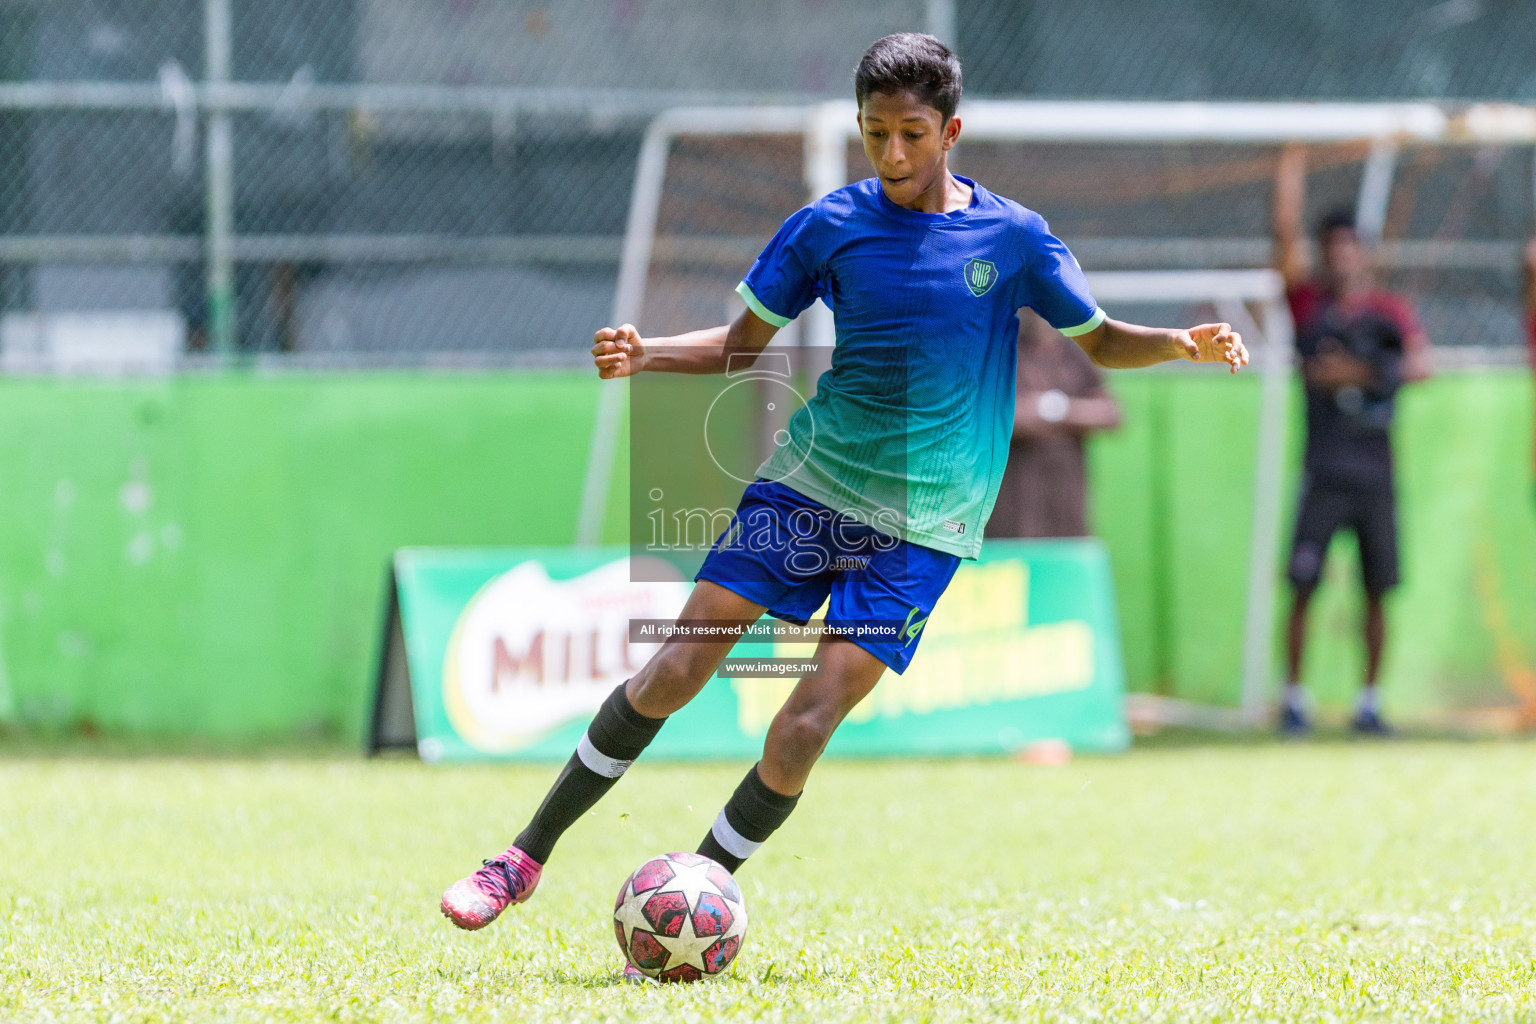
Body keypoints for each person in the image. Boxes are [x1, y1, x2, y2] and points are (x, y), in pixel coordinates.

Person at [440, 33, 1248, 963]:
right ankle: (520, 859)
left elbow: (1100, 341)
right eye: (875, 135)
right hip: (811, 486)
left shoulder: (1015, 238)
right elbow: (743, 344)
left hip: (928, 524)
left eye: (911, 134)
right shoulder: (828, 224)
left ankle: (696, 899)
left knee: (806, 723)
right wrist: (649, 352)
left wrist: (1180, 342)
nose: (893, 156)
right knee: (675, 669)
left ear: (952, 130)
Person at [1272, 144, 1430, 736]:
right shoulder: (1308, 305)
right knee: (1304, 585)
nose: (1341, 257)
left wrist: (1361, 372)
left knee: (1376, 591)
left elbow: (1420, 365)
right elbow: (1282, 239)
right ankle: (1294, 698)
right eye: (1331, 248)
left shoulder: (1387, 313)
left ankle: (1369, 700)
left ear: (1362, 255)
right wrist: (1289, 164)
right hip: (1323, 469)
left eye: (1349, 247)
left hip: (1375, 473)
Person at [985, 309, 1122, 539]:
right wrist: (1042, 415)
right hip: (1012, 494)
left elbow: (1111, 414)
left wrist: (1057, 409)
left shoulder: (1074, 354)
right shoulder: (998, 350)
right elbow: (994, 416)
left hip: (1065, 491)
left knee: (1065, 554)